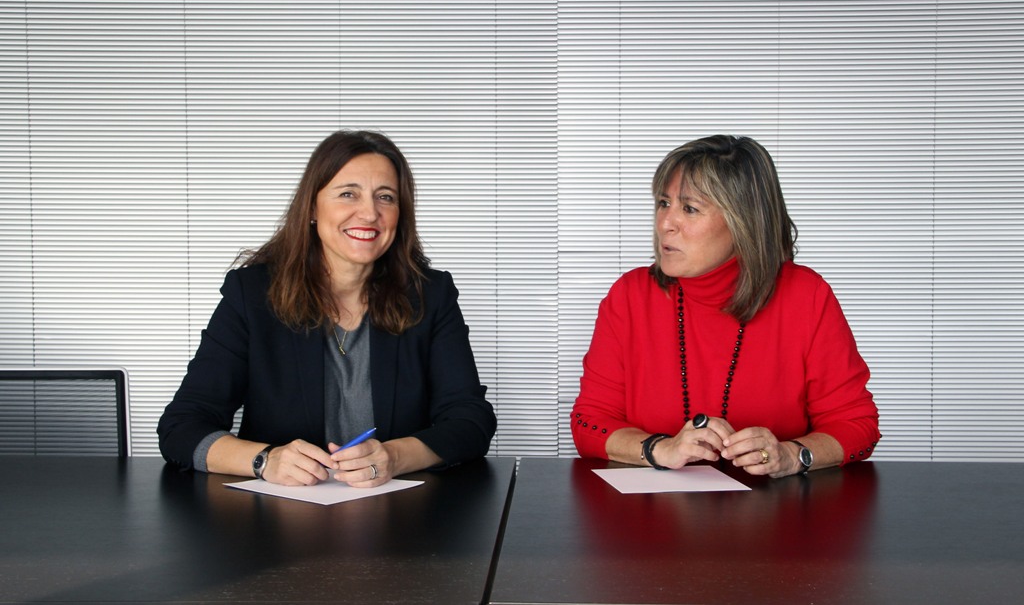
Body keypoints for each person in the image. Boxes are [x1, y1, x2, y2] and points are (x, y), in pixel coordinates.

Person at [159, 130, 496, 487]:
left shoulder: (429, 295)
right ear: (312, 208)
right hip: (278, 523)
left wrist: (394, 457)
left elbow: (471, 421)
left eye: (386, 197)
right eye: (348, 193)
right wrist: (264, 460)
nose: (369, 213)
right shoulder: (252, 295)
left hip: (403, 519)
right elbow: (182, 427)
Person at [571, 135, 880, 477]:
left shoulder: (807, 296)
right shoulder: (630, 296)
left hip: (775, 520)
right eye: (663, 203)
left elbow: (857, 425)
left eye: (689, 208)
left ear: (741, 221)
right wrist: (660, 448)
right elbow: (589, 422)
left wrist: (791, 455)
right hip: (652, 518)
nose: (665, 223)